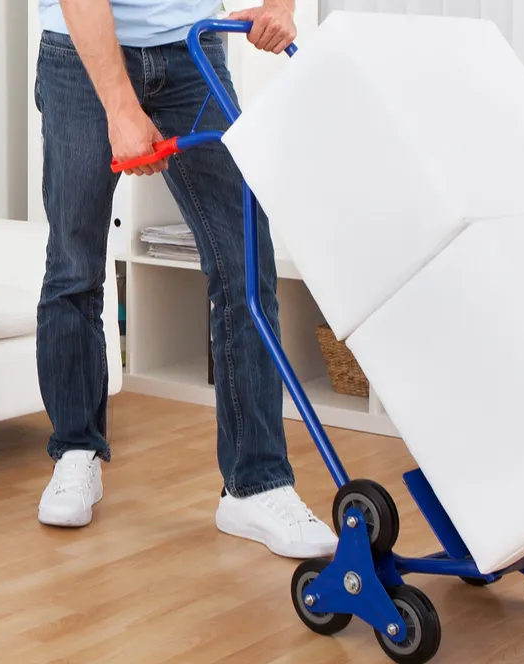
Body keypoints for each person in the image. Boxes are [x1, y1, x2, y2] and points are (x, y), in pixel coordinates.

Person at [32, 0, 338, 560]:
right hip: (81, 56)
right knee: (74, 267)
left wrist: (279, 6)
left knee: (244, 261)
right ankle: (75, 451)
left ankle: (257, 483)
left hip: (191, 48)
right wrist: (120, 107)